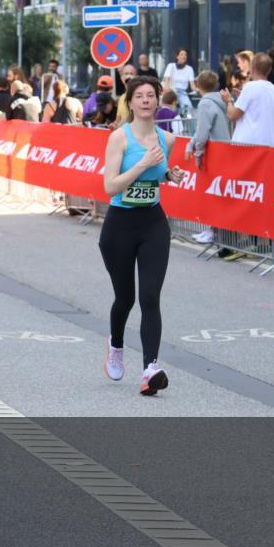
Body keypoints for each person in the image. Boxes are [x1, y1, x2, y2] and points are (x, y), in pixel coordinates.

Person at [100, 76, 185, 396]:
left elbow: (158, 173)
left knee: (150, 297)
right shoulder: (119, 139)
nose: (147, 101)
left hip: (153, 223)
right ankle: (116, 345)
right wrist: (144, 164)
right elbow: (110, 186)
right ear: (130, 102)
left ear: (158, 101)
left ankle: (151, 368)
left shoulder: (168, 139)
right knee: (126, 298)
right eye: (140, 96)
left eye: (152, 95)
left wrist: (168, 174)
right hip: (119, 225)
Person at [185, 71, 229, 245]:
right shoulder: (221, 100)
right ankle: (211, 229)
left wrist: (197, 151)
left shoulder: (205, 104)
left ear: (197, 85)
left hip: (214, 152)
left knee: (213, 192)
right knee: (217, 192)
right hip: (224, 149)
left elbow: (202, 132)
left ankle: (212, 230)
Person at [222, 53, 274, 147]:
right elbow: (258, 108)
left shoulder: (250, 87)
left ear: (252, 68)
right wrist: (242, 97)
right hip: (269, 147)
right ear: (269, 70)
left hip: (248, 148)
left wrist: (228, 100)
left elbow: (232, 115)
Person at [162, 48, 196, 114]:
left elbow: (192, 86)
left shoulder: (189, 69)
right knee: (169, 109)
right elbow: (166, 81)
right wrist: (167, 92)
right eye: (182, 54)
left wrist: (199, 90)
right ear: (177, 56)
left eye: (185, 55)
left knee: (188, 107)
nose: (184, 56)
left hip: (182, 92)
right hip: (171, 90)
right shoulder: (171, 66)